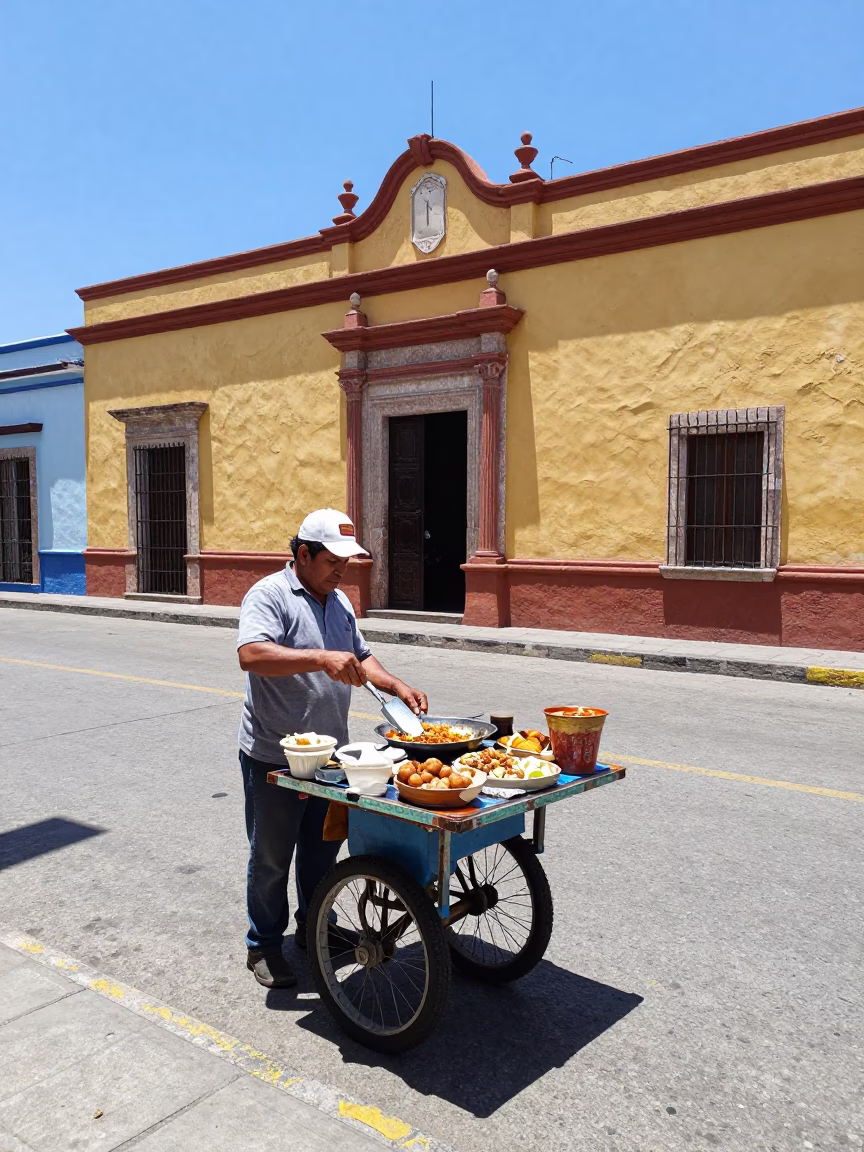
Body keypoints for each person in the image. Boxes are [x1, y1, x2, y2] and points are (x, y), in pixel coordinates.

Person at [237, 508, 428, 988]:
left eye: (347, 562)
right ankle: (263, 944)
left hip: (329, 760)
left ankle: (312, 928)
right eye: (333, 562)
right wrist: (320, 658)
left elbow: (361, 657)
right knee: (272, 858)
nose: (342, 570)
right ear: (303, 554)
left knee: (322, 853)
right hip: (273, 755)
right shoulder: (270, 595)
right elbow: (251, 655)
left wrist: (396, 684)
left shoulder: (338, 601)